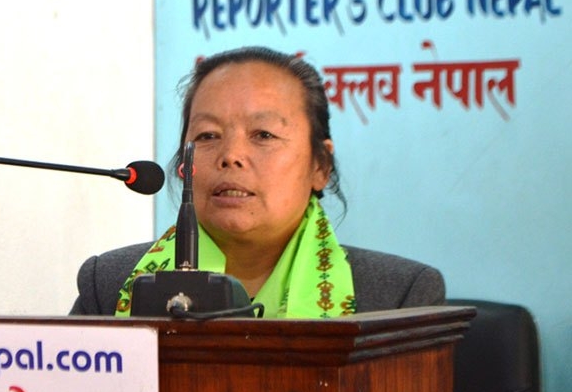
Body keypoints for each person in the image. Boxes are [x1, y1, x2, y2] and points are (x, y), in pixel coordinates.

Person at [70, 46, 446, 319]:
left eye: (263, 135)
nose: (231, 155)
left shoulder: (398, 297)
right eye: (207, 135)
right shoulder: (111, 285)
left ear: (320, 165)